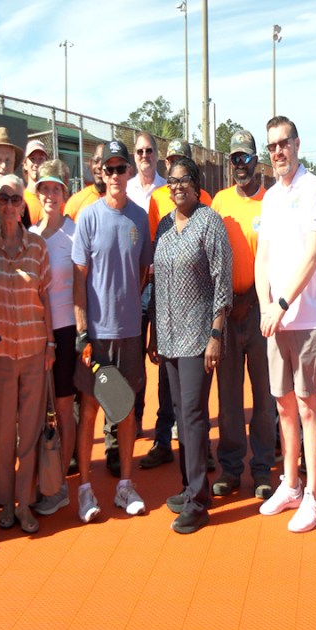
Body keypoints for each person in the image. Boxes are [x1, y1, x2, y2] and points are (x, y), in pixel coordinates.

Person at [255, 115, 316, 533]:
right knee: (283, 405)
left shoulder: (313, 187)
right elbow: (263, 256)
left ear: (297, 144)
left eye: (284, 143)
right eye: (272, 146)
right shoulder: (270, 198)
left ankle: (315, 496)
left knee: (307, 405)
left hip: (306, 318)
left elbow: (313, 253)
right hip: (276, 319)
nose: (278, 151)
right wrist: (267, 304)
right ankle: (291, 484)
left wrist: (282, 303)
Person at [149, 156, 232, 534]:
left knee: (195, 417)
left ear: (197, 185)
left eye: (184, 180)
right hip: (167, 336)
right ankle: (190, 486)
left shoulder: (209, 221)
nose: (176, 186)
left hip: (199, 336)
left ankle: (199, 502)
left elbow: (222, 281)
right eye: (172, 180)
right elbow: (157, 282)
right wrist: (153, 331)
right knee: (182, 416)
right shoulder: (165, 225)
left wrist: (216, 334)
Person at [72, 140, 152, 522]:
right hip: (97, 336)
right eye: (110, 169)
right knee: (89, 410)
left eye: (123, 169)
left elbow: (141, 271)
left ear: (129, 173)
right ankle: (85, 489)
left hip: (129, 333)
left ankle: (124, 484)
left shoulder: (139, 217)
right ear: (100, 173)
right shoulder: (88, 217)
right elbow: (79, 278)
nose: (117, 175)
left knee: (126, 410)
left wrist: (127, 308)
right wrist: (83, 329)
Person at [0, 173, 54, 534]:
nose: (9, 205)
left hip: (33, 351)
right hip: (0, 355)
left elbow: (45, 297)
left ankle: (25, 504)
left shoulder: (38, 247)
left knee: (28, 431)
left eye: (15, 199)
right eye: (3, 198)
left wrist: (52, 344)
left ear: (23, 205)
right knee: (0, 433)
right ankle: (5, 502)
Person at [210, 130, 277, 501]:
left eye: (246, 158)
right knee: (229, 396)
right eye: (234, 159)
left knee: (264, 396)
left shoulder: (271, 202)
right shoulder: (219, 202)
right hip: (226, 311)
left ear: (256, 161)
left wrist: (251, 299)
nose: (240, 166)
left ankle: (263, 467)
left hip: (258, 311)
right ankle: (231, 467)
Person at [140, 139, 212, 471]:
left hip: (196, 315)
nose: (176, 176)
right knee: (170, 388)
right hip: (164, 305)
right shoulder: (160, 204)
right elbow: (157, 255)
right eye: (171, 163)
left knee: (193, 401)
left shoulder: (205, 207)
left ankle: (200, 457)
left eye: (181, 163)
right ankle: (163, 440)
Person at [31, 160, 78, 517]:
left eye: (56, 188)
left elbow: (82, 288)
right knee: (32, 412)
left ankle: (60, 482)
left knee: (64, 407)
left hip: (64, 334)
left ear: (65, 193)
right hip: (33, 335)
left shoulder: (75, 234)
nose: (49, 194)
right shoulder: (29, 236)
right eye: (44, 188)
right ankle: (39, 479)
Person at [65, 143, 105, 220]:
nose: (99, 166)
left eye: (104, 162)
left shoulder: (121, 202)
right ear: (90, 163)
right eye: (96, 161)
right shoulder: (76, 201)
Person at [126, 131, 161, 210]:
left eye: (149, 151)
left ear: (156, 155)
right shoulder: (126, 190)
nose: (144, 155)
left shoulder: (167, 189)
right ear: (135, 156)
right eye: (140, 151)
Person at [21, 138, 49, 225]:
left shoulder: (54, 198)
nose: (36, 164)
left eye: (41, 159)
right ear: (25, 164)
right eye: (32, 159)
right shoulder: (20, 199)